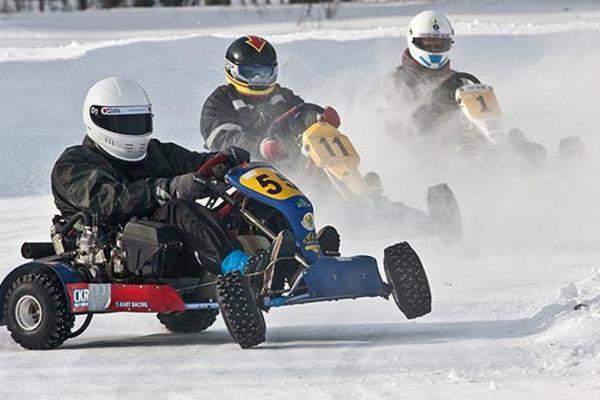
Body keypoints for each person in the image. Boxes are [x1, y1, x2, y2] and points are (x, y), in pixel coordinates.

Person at [51, 77, 252, 278]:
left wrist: (223, 162)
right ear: (98, 119)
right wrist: (166, 189)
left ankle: (274, 256)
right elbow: (106, 201)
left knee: (244, 201)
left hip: (164, 242)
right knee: (178, 209)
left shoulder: (155, 152)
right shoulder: (73, 164)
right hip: (115, 247)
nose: (133, 129)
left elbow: (194, 162)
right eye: (125, 123)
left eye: (139, 121)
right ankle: (240, 267)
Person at [200, 35, 341, 162]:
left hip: (291, 164)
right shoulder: (219, 101)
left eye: (264, 73)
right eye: (251, 73)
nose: (258, 79)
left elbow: (300, 114)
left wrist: (317, 117)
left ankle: (351, 182)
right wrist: (260, 147)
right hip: (243, 171)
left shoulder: (281, 95)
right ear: (232, 70)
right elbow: (223, 140)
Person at [384, 10, 471, 144]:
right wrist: (436, 108)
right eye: (428, 44)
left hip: (460, 145)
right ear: (414, 41)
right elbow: (400, 120)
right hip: (418, 148)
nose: (433, 48)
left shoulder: (459, 80)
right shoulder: (397, 79)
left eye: (438, 45)